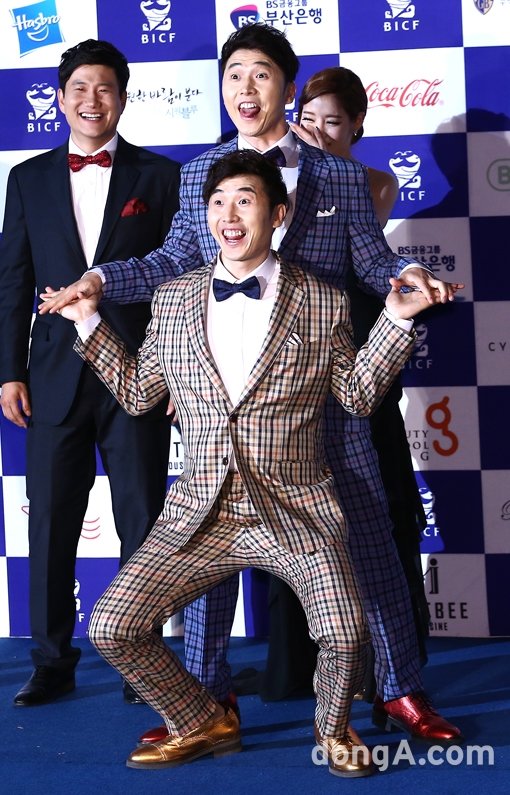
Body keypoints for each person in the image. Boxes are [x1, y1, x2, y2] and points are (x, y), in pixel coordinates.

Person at [39, 23, 463, 743]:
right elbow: (171, 260)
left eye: (261, 74)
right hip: (232, 394)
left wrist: (409, 275)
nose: (245, 87)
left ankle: (399, 688)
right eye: (233, 74)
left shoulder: (338, 175)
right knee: (205, 551)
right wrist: (102, 279)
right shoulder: (201, 173)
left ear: (287, 86)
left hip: (325, 389)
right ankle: (210, 697)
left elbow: (370, 261)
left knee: (370, 544)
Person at [0, 39, 180, 706]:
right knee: (50, 522)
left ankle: (141, 655)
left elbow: (177, 283)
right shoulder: (28, 178)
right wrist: (8, 372)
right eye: (79, 87)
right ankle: (52, 659)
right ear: (59, 97)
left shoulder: (160, 177)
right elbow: (13, 281)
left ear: (123, 98)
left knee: (143, 517)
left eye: (104, 87)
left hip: (137, 371)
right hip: (52, 376)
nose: (91, 99)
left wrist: (175, 371)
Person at [256, 66, 430, 705]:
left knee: (378, 515)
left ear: (358, 125)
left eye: (334, 122)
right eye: (310, 120)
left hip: (360, 358)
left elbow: (374, 261)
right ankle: (299, 666)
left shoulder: (365, 183)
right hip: (282, 369)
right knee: (292, 521)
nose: (320, 132)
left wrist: (409, 276)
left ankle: (395, 672)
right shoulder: (267, 179)